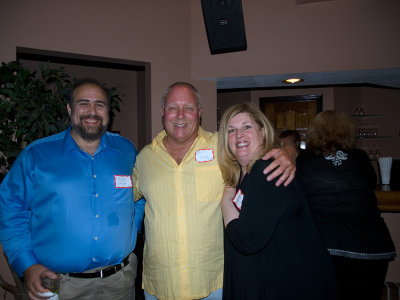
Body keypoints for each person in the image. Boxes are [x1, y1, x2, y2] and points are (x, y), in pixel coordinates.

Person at [132, 82, 296, 300]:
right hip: (160, 285)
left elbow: (257, 149)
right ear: (163, 113)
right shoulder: (145, 158)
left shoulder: (222, 145)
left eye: (188, 108)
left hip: (215, 284)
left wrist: (287, 151)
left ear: (199, 114)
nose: (180, 115)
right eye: (173, 107)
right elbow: (125, 200)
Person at [0, 79, 143, 300]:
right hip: (59, 284)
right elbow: (10, 209)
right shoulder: (36, 155)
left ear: (108, 111)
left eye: (100, 104)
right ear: (70, 108)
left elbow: (139, 194)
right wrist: (27, 264)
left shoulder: (125, 150)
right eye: (83, 103)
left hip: (119, 283)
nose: (92, 111)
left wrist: (131, 227)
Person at [218, 102, 337, 299]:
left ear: (263, 131)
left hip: (291, 286)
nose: (239, 135)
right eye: (232, 130)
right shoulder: (244, 174)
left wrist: (225, 202)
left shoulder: (268, 171)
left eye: (246, 127)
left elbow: (247, 241)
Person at [296, 110, 396, 300]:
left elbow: (298, 196)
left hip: (327, 244)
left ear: (315, 132)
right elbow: (369, 183)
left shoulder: (306, 160)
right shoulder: (360, 157)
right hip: (371, 244)